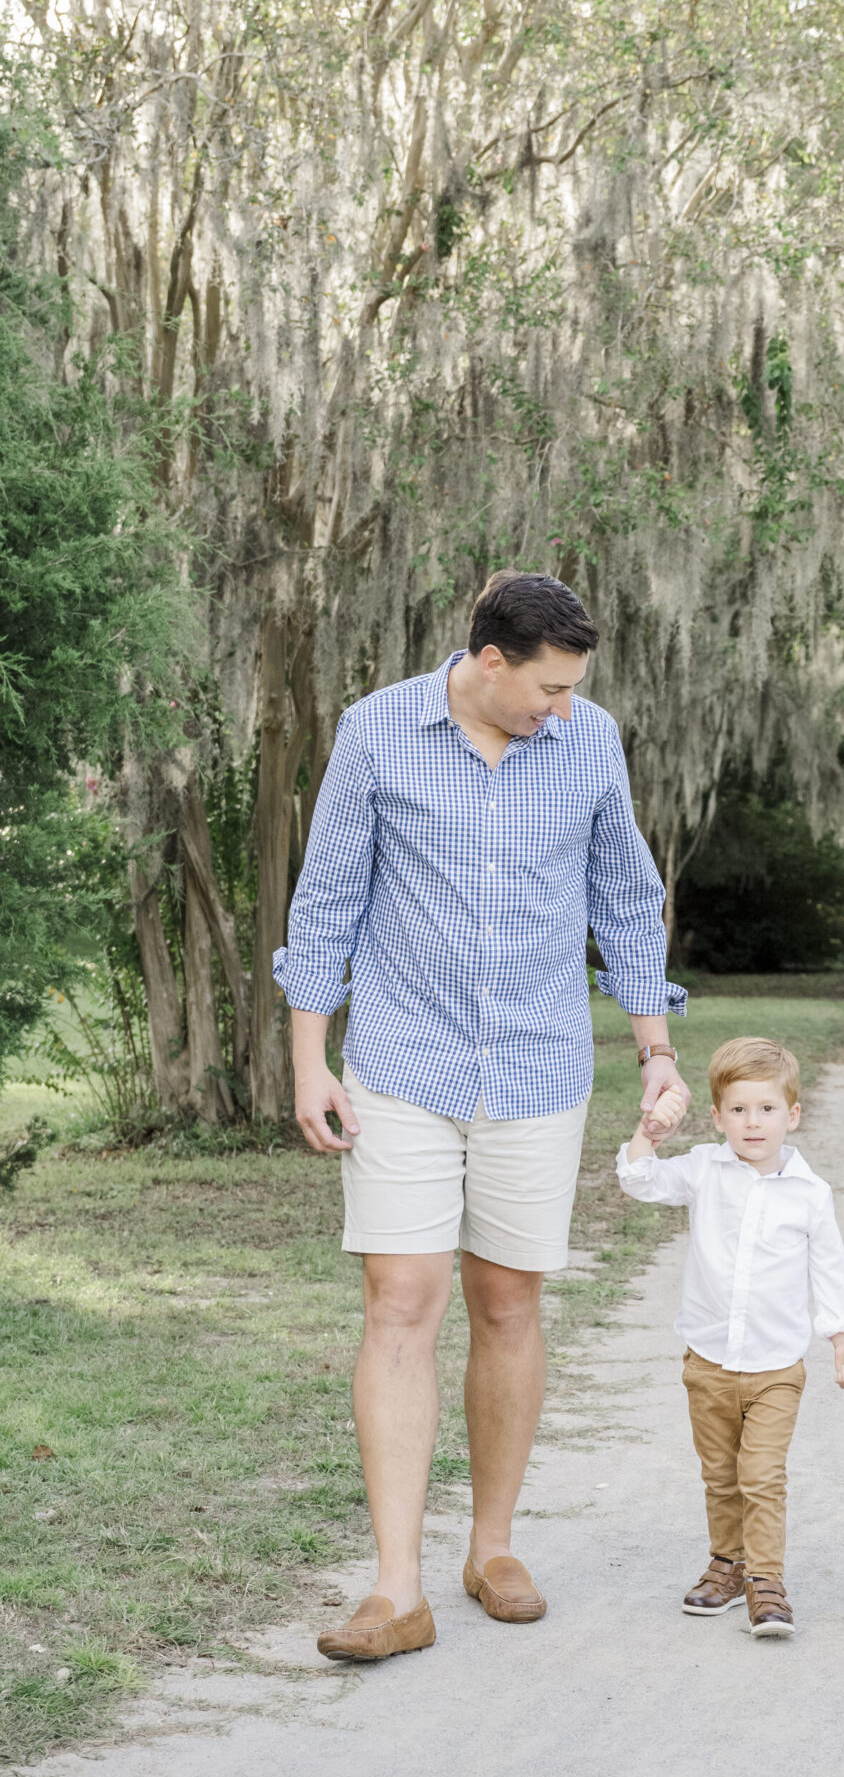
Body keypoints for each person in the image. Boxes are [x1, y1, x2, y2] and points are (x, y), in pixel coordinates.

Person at [276, 571, 688, 1664]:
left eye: (572, 690)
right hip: (405, 1060)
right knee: (399, 1297)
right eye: (547, 687)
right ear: (489, 660)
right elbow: (326, 902)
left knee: (506, 1300)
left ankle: (492, 1547)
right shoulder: (377, 732)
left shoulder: (588, 742)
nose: (562, 707)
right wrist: (310, 1059)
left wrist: (655, 1052)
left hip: (539, 1064)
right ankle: (395, 1586)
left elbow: (626, 898)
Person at [616, 1036, 844, 1637]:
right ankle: (727, 1566)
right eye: (739, 1110)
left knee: (761, 1476)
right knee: (720, 1475)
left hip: (776, 1366)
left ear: (792, 1115)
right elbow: (639, 1180)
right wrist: (649, 1132)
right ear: (717, 1116)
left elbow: (829, 1269)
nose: (753, 1123)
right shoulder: (703, 1168)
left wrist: (842, 1334)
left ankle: (766, 1581)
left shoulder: (810, 1193)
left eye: (768, 1109)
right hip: (707, 1360)